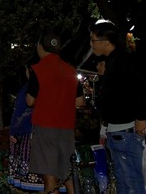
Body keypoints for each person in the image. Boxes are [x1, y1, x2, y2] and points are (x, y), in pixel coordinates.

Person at [90, 20, 146, 194]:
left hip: (125, 132)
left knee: (130, 180)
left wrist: (141, 117)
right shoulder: (113, 61)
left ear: (104, 41)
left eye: (93, 40)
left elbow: (142, 87)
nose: (91, 44)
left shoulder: (122, 60)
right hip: (118, 132)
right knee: (124, 180)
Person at [26, 31, 85, 194]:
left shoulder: (38, 69)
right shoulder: (71, 70)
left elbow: (29, 101)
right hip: (66, 127)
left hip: (45, 126)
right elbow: (80, 102)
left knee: (49, 175)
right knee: (67, 172)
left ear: (40, 47)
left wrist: (46, 98)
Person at [9, 55, 42, 190]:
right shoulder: (49, 85)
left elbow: (20, 114)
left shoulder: (27, 89)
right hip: (46, 136)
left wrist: (13, 132)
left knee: (33, 182)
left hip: (28, 138)